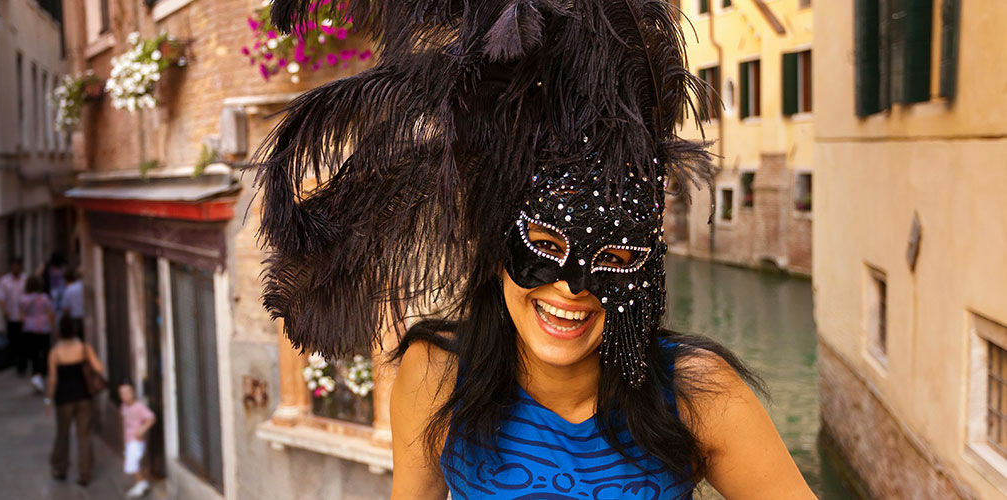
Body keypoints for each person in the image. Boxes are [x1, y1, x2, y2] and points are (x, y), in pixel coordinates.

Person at [256, 1, 817, 498]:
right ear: (500, 246)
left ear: (645, 270)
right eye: (545, 245)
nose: (571, 288)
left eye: (612, 259)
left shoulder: (698, 393)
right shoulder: (436, 377)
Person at [46, 316, 103, 486]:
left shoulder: (55, 352)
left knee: (62, 434)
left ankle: (60, 468)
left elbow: (52, 379)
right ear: (75, 329)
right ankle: (84, 473)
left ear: (59, 331)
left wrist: (48, 400)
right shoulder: (84, 348)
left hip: (63, 399)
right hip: (84, 397)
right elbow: (99, 368)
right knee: (84, 435)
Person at [118, 381, 155, 498]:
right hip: (129, 440)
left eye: (128, 392)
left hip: (136, 440)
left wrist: (142, 430)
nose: (126, 395)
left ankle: (141, 483)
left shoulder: (139, 407)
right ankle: (141, 482)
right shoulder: (123, 406)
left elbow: (151, 418)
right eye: (122, 393)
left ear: (133, 392)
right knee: (134, 463)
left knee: (132, 464)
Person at [20, 275, 56, 392]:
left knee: (34, 354)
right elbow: (50, 314)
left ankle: (36, 375)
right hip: (44, 328)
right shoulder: (44, 298)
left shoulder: (23, 299)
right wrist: (54, 329)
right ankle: (42, 374)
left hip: (29, 329)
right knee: (45, 352)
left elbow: (21, 317)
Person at [0, 258, 27, 375]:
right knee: (14, 341)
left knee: (23, 342)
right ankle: (16, 363)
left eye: (17, 266)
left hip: (24, 317)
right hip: (12, 316)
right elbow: (1, 298)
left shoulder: (25, 279)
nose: (15, 269)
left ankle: (22, 364)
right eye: (13, 266)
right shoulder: (4, 281)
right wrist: (5, 312)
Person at [60, 266, 85, 342]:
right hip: (84, 317)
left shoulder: (69, 290)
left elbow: (65, 308)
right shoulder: (83, 287)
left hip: (74, 319)